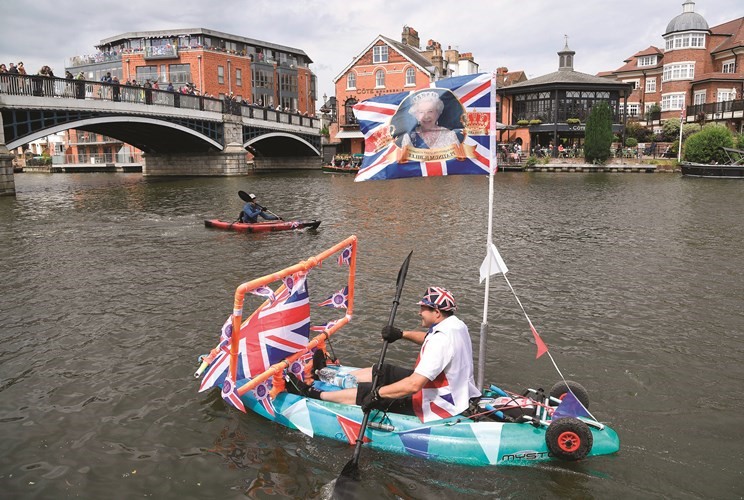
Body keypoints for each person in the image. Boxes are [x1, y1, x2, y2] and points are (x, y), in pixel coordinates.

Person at [286, 287, 481, 423]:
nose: (419, 312)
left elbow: (413, 385)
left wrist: (377, 394)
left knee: (369, 391)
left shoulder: (441, 340)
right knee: (383, 370)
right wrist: (401, 334)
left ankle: (313, 393)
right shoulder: (455, 325)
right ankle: (324, 373)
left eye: (423, 308)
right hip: (451, 389)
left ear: (436, 312)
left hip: (438, 403)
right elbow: (429, 339)